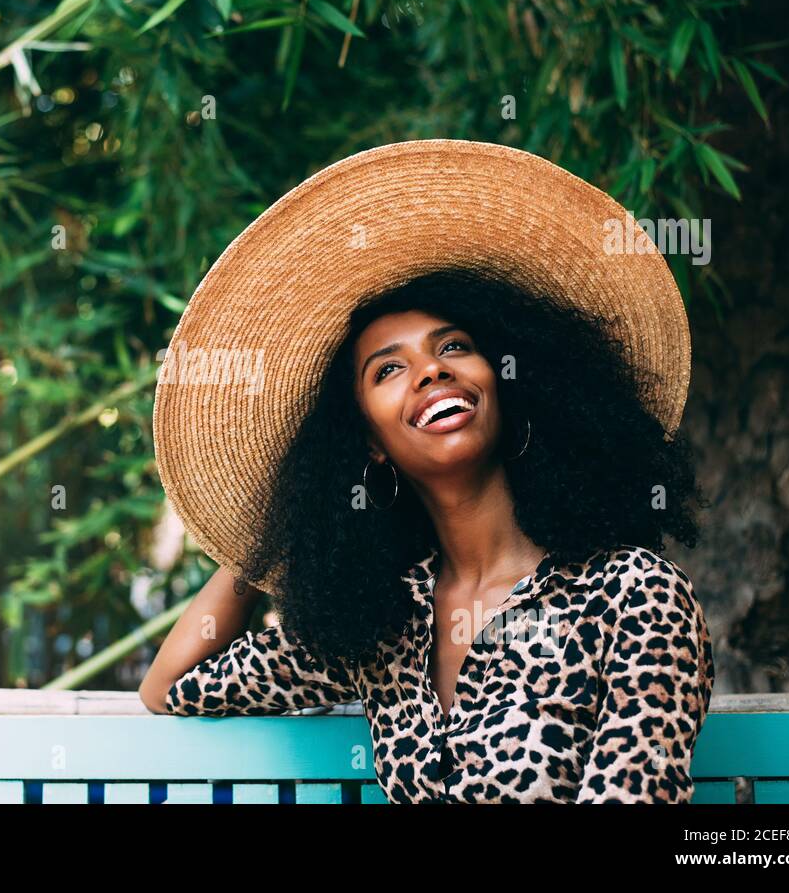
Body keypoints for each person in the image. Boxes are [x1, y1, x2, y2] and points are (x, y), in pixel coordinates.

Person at [139, 140, 716, 803]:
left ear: (508, 386)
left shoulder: (631, 594)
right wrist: (281, 527)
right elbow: (170, 685)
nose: (431, 370)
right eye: (388, 368)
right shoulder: (384, 624)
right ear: (370, 444)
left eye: (454, 347)